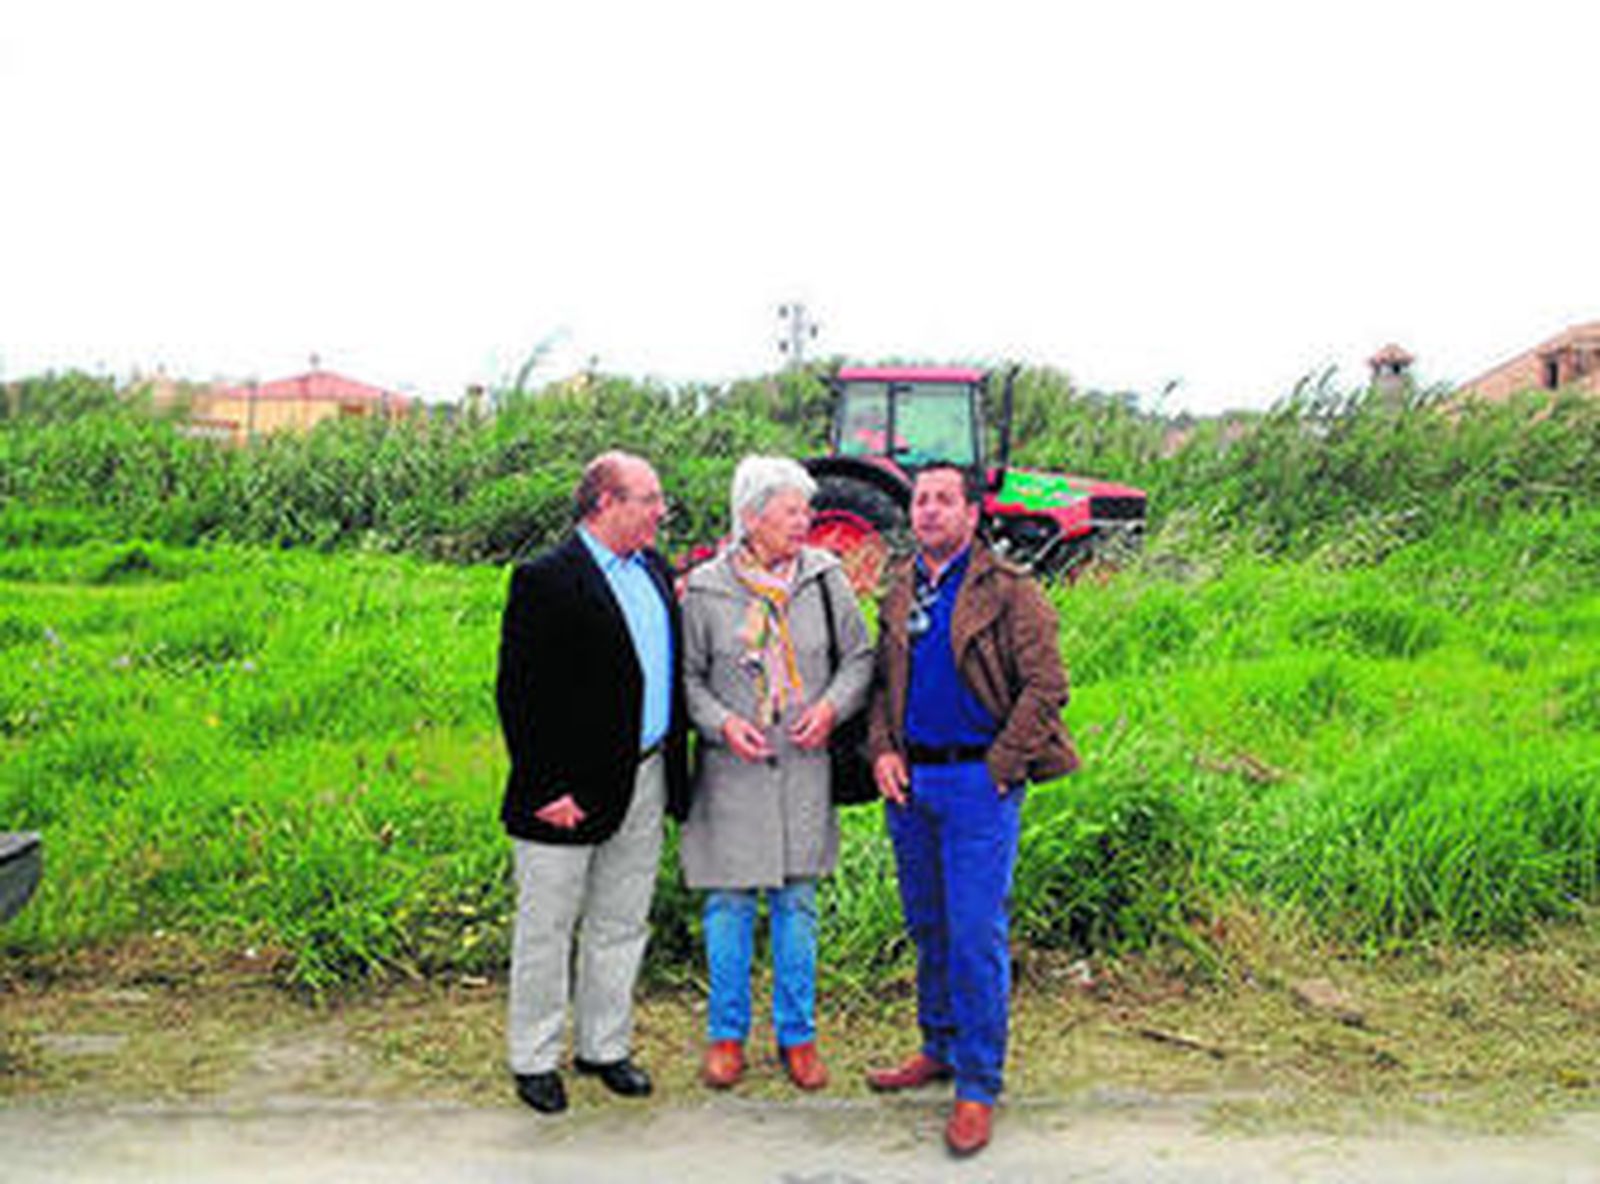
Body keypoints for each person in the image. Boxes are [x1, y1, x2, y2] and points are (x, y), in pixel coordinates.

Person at [864, 462, 1077, 1158]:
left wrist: (1001, 767)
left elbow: (1047, 687)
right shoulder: (901, 585)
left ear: (971, 514)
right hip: (911, 782)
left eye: (943, 500)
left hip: (977, 783)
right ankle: (939, 1047)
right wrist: (882, 751)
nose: (927, 510)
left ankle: (979, 1083)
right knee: (928, 925)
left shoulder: (1011, 591)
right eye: (920, 500)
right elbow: (881, 683)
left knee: (974, 932)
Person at [494, 450, 690, 1116]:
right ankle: (534, 1057)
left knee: (621, 920)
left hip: (646, 773)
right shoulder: (546, 580)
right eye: (649, 498)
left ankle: (604, 1047)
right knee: (547, 927)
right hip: (565, 793)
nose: (661, 511)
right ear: (606, 502)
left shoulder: (654, 571)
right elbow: (519, 695)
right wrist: (546, 788)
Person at [679, 456, 873, 1091]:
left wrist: (831, 708)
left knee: (798, 904)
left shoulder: (825, 578)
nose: (805, 521)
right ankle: (726, 1036)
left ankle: (798, 1036)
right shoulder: (705, 588)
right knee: (728, 905)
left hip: (803, 767)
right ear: (752, 517)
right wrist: (721, 724)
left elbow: (859, 659)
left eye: (805, 510)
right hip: (732, 771)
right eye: (792, 510)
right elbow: (688, 680)